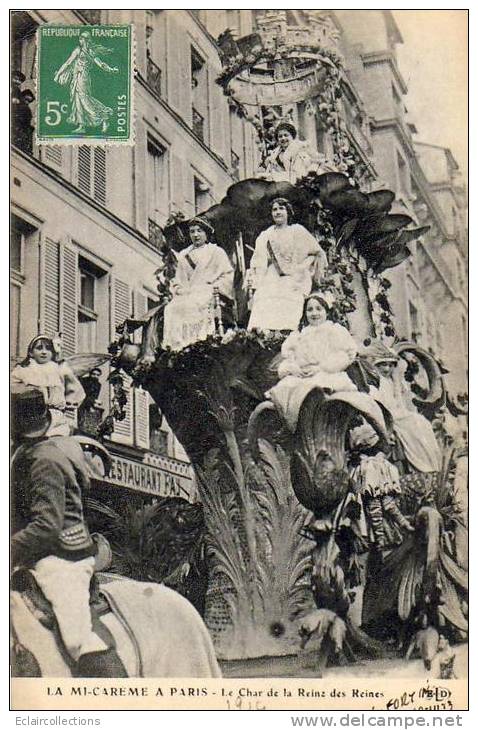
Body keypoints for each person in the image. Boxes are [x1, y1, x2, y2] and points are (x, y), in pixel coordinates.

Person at [11, 386, 127, 676]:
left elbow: (46, 526)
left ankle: (117, 696)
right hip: (33, 555)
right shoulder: (23, 453)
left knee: (77, 637)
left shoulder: (44, 461)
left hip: (62, 556)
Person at [266, 294, 358, 430]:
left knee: (318, 393)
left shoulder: (334, 331)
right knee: (288, 392)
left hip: (326, 374)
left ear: (326, 311)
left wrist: (322, 368)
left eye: (319, 309)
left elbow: (344, 356)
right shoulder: (298, 336)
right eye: (309, 310)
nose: (314, 313)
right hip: (302, 376)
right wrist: (293, 368)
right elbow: (289, 358)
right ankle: (294, 428)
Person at [247, 198, 328, 331]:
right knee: (265, 299)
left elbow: (317, 253)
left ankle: (288, 333)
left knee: (291, 298)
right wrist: (256, 282)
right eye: (274, 209)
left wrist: (302, 267)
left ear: (288, 212)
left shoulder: (298, 231)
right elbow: (259, 261)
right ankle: (266, 337)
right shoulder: (266, 235)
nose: (278, 212)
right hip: (272, 276)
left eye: (281, 209)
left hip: (295, 276)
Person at [362, 341, 442, 474]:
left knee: (422, 423)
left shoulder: (391, 382)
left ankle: (430, 463)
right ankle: (424, 464)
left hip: (398, 415)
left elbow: (399, 403)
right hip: (387, 417)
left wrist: (397, 382)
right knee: (415, 422)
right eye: (382, 365)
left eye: (390, 365)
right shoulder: (374, 383)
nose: (387, 369)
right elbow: (378, 407)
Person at [162, 217, 234, 352]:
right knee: (171, 308)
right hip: (189, 292)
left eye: (199, 231)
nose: (195, 235)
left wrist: (215, 287)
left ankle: (199, 340)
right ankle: (178, 345)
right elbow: (179, 280)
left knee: (198, 303)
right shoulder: (184, 255)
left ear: (206, 233)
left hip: (209, 290)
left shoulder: (216, 252)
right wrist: (179, 289)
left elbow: (227, 275)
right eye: (192, 231)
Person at [349, 423, 414, 550]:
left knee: (390, 506)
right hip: (371, 491)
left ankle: (404, 524)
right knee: (375, 511)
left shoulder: (378, 460)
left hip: (382, 489)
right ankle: (380, 539)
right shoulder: (364, 463)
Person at [11, 335, 85, 437]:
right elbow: (12, 387)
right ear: (31, 352)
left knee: (58, 441)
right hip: (31, 417)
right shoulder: (23, 370)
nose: (44, 352)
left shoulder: (59, 369)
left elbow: (75, 389)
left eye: (48, 349)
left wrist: (66, 404)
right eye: (39, 348)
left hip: (56, 416)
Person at [54, 31, 119, 134]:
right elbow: (68, 63)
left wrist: (111, 70)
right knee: (77, 99)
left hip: (83, 77)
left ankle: (103, 117)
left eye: (82, 39)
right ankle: (81, 125)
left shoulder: (88, 51)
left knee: (84, 99)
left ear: (86, 40)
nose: (80, 40)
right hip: (77, 77)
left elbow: (100, 64)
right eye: (80, 38)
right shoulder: (80, 50)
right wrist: (58, 74)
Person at [260, 120, 317, 184]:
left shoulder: (299, 151)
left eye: (286, 135)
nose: (283, 138)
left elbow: (299, 175)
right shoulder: (275, 154)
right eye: (280, 136)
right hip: (280, 186)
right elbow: (270, 171)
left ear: (292, 136)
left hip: (298, 187)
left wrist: (273, 177)